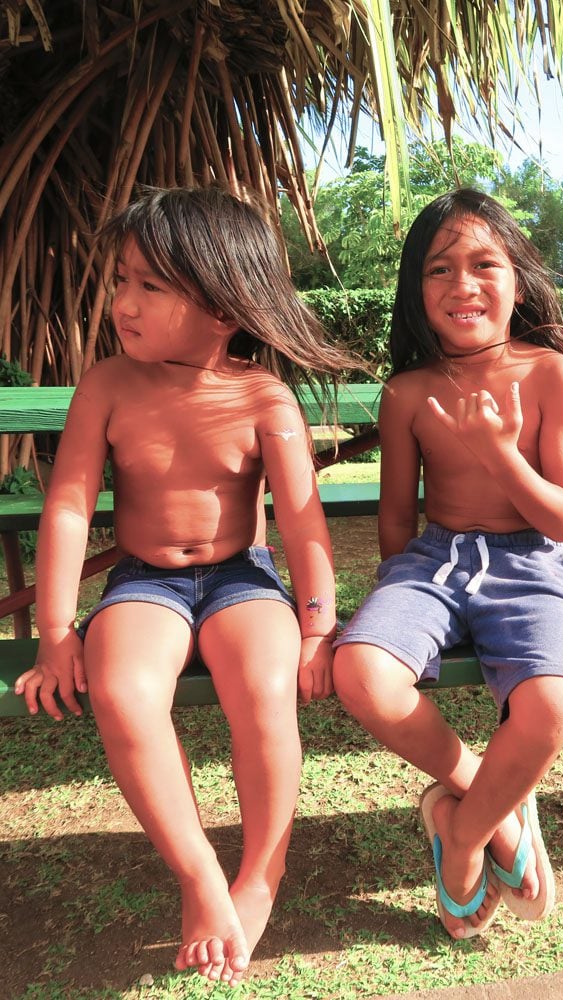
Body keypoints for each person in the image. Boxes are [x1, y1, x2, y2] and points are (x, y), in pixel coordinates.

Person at [15, 186, 360, 984]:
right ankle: (202, 876)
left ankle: (261, 871)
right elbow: (67, 508)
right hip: (146, 583)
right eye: (120, 280)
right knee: (123, 691)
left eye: (148, 286)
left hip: (243, 578)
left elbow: (303, 525)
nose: (120, 303)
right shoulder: (107, 385)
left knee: (264, 687)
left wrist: (315, 626)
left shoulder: (261, 396)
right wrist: (58, 631)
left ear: (223, 306)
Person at [333, 189, 563, 940]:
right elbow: (394, 515)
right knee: (361, 673)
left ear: (518, 280)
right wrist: (400, 606)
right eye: (439, 269)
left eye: (483, 264)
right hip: (433, 561)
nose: (462, 285)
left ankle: (461, 832)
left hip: (532, 563)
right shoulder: (407, 391)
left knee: (551, 707)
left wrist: (498, 456)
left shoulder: (551, 376)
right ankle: (491, 804)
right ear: (417, 289)